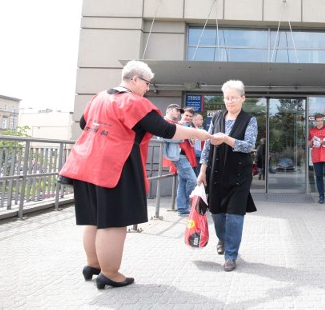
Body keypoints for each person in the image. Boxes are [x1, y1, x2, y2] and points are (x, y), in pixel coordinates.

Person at [58, 60, 212, 289]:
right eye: (147, 83)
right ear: (135, 80)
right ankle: (110, 273)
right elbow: (166, 129)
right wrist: (202, 134)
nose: (148, 88)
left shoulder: (99, 97)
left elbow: (84, 123)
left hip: (83, 162)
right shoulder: (133, 102)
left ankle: (93, 264)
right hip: (113, 165)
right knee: (113, 222)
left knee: (93, 218)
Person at [197, 80, 257, 272]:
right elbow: (207, 144)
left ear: (242, 98)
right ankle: (222, 239)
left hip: (240, 175)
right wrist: (202, 169)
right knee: (217, 214)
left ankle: (231, 255)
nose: (230, 101)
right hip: (216, 172)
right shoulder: (216, 118)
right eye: (227, 98)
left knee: (234, 216)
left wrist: (226, 139)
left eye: (234, 97)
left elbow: (248, 146)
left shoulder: (250, 119)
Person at [163, 104, 198, 216]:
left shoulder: (181, 124)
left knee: (183, 183)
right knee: (192, 180)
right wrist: (183, 135)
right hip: (179, 155)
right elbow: (164, 137)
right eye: (177, 111)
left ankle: (182, 208)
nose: (178, 113)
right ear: (168, 110)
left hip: (185, 156)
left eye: (179, 111)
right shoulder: (167, 122)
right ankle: (187, 205)